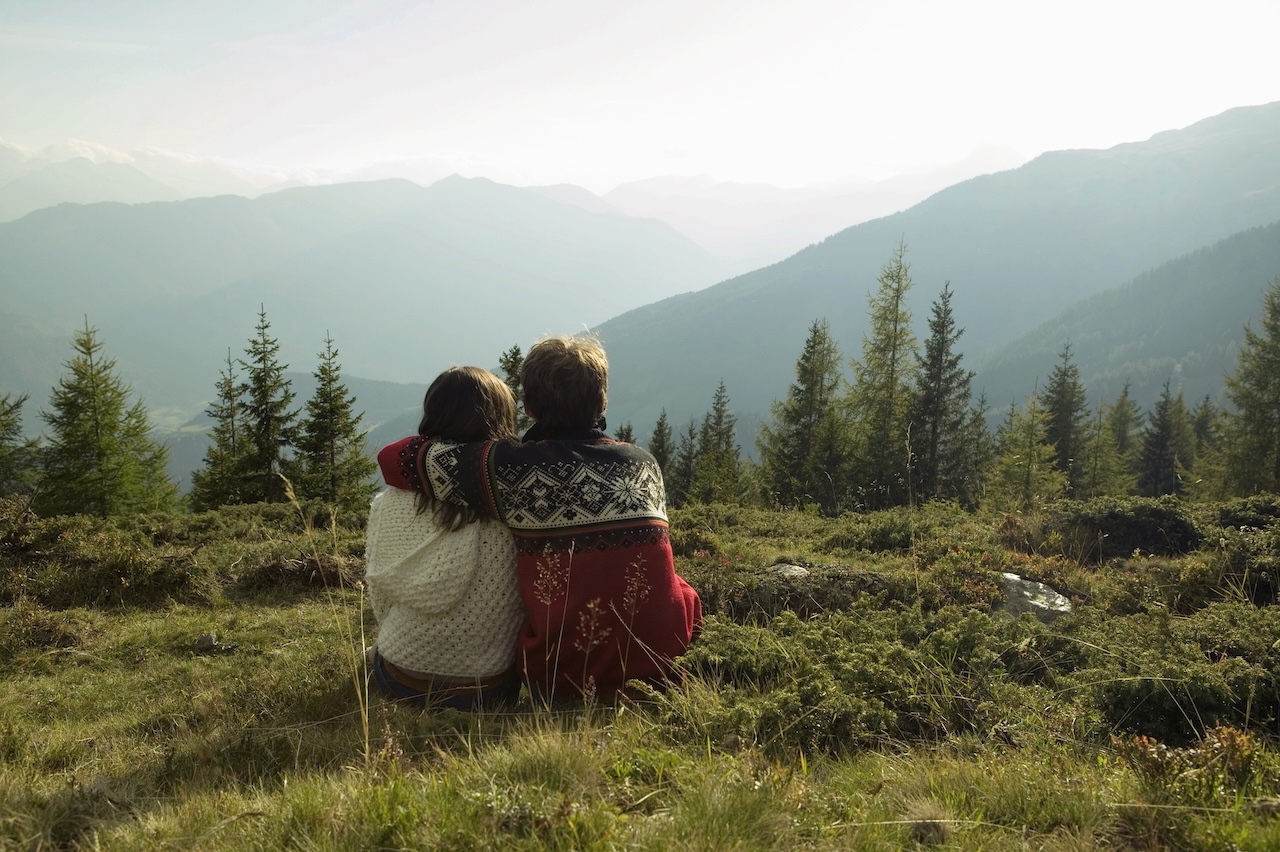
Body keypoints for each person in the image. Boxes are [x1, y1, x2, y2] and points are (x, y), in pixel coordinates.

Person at [378, 335, 702, 704]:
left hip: (561, 682)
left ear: (528, 406)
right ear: (602, 401)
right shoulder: (643, 464)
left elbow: (394, 457)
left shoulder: (509, 468)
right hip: (663, 670)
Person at [364, 366, 523, 710]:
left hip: (402, 676)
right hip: (489, 689)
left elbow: (380, 595)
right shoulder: (512, 504)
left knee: (374, 652)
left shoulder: (390, 502)